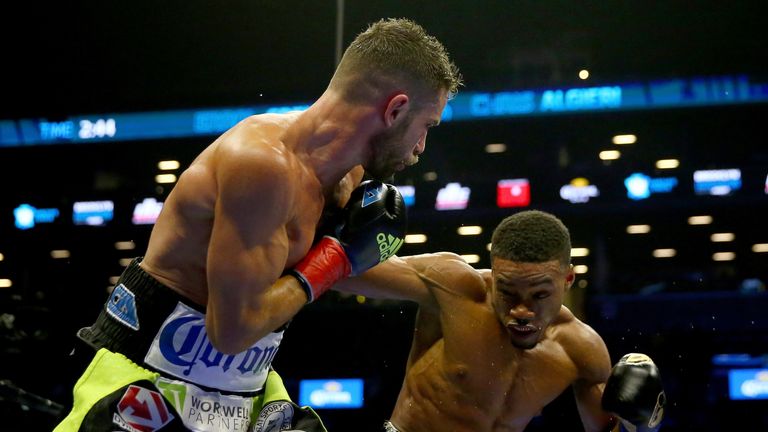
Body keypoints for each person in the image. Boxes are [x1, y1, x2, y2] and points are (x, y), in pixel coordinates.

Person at [54, 18, 462, 432]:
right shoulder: (263, 166)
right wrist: (333, 262)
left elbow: (339, 263)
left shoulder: (347, 175)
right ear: (395, 110)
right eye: (426, 126)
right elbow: (232, 331)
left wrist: (465, 283)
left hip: (241, 390)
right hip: (146, 379)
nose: (420, 148)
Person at [336, 210, 666, 432]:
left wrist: (640, 423)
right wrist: (334, 219)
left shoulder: (583, 349)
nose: (522, 311)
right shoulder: (454, 287)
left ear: (567, 280)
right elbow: (344, 273)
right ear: (494, 274)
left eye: (539, 295)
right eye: (508, 292)